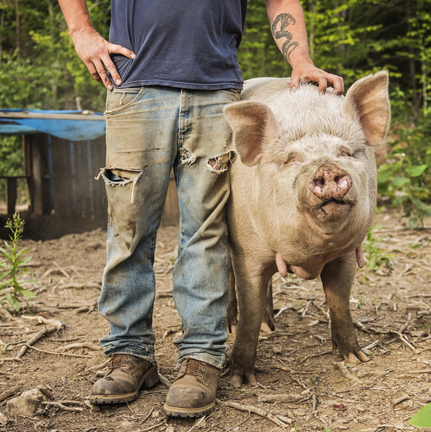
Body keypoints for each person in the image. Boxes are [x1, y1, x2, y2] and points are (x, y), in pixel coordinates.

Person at [58, 0, 345, 418]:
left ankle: (200, 360)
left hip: (216, 93)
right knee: (129, 231)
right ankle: (129, 355)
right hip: (135, 86)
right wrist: (80, 30)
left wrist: (300, 58)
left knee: (206, 231)